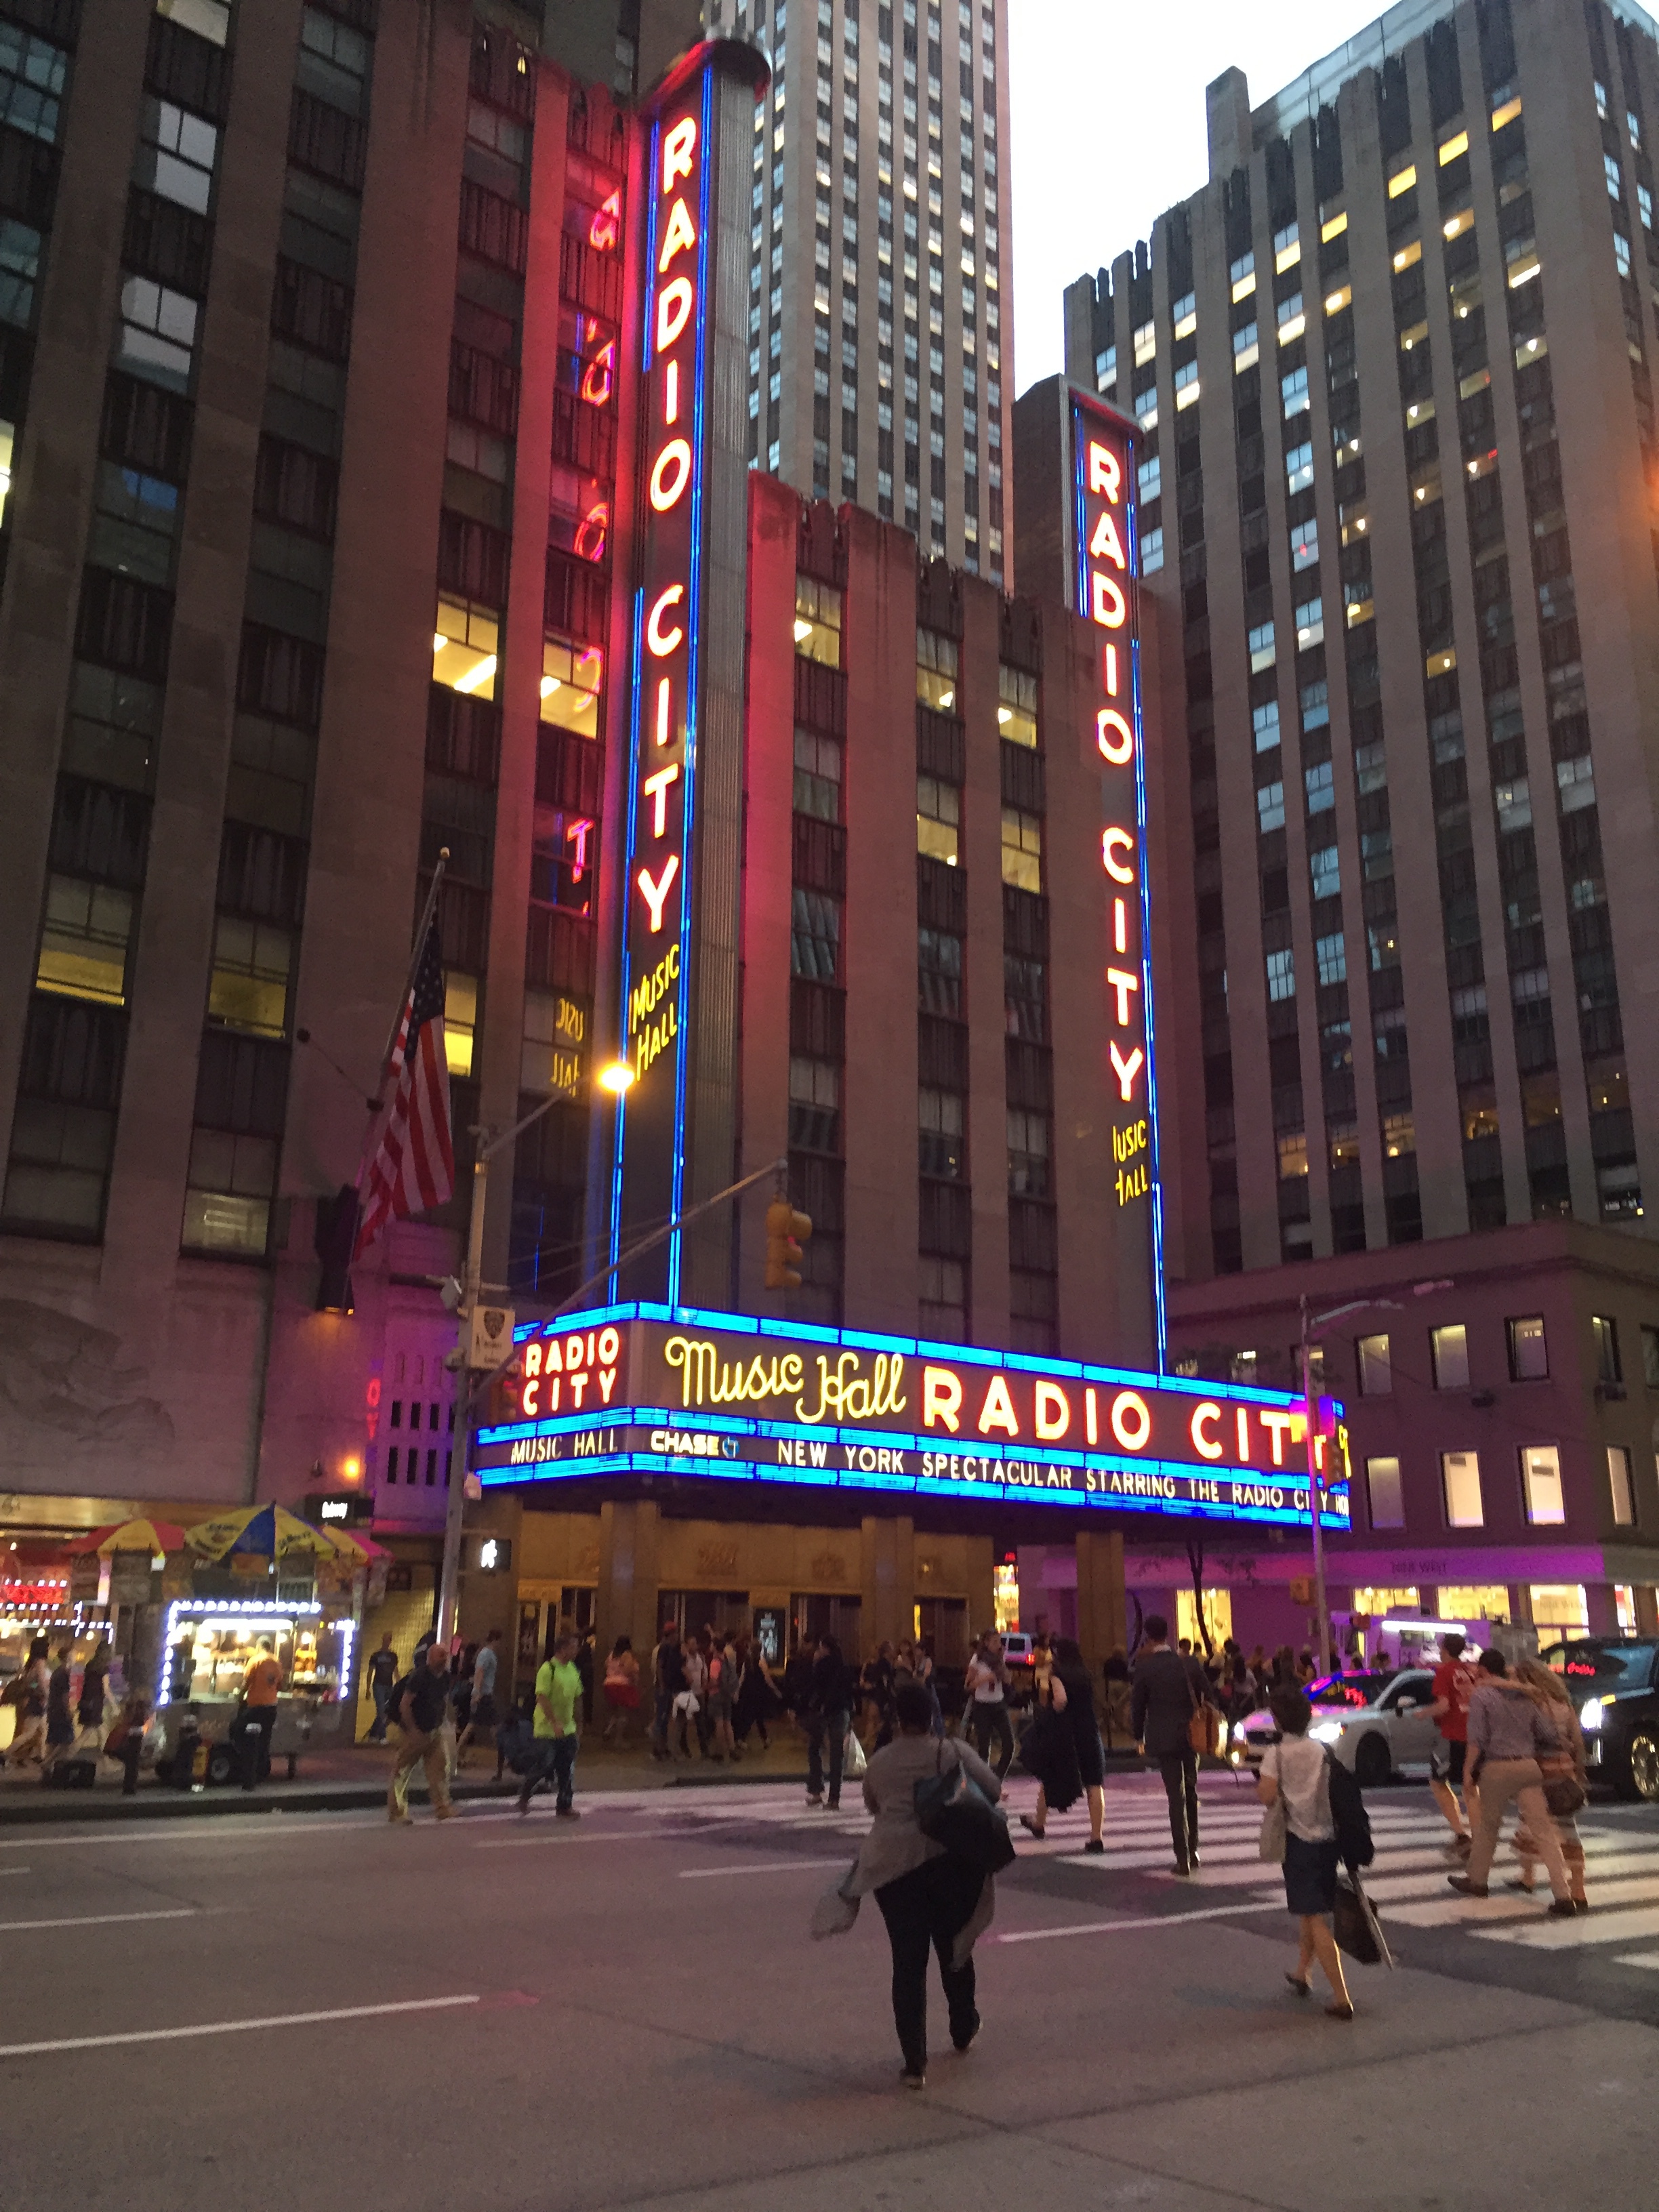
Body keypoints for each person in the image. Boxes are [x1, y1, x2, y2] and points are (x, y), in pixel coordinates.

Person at [844, 1679, 1002, 2088]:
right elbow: (993, 1788)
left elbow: (873, 1804)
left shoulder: (879, 1762)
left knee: (907, 1964)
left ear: (898, 1719)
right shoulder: (949, 1752)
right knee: (955, 1949)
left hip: (893, 1871)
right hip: (943, 1863)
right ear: (932, 1714)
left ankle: (915, 2063)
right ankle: (963, 2025)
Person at [1448, 1648, 1574, 1912]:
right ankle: (1563, 1895)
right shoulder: (1525, 1695)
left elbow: (1476, 1738)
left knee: (1488, 1827)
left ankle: (1478, 1880)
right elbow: (1548, 1733)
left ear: (1483, 1669)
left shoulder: (1482, 1695)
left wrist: (1468, 1771)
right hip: (1528, 1766)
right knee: (1543, 1831)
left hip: (1497, 1768)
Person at [1257, 1685, 1355, 2020]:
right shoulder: (1322, 1749)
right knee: (1311, 1910)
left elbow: (1267, 1795)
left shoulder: (1277, 1754)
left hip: (1299, 1842)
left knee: (1316, 1918)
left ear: (1279, 1720)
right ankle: (1302, 1972)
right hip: (1328, 1839)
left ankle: (1342, 1997)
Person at [1131, 1614, 1219, 1875]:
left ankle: (1182, 1858)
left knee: (1175, 1796)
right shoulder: (1188, 1663)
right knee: (1191, 1791)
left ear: (1148, 1636)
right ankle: (1193, 1850)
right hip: (1192, 1736)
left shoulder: (1146, 1667)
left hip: (1163, 1736)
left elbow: (1138, 1705)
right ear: (1168, 1634)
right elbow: (1210, 1694)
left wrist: (1139, 1737)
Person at [1510, 1658, 1590, 1910]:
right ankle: (1577, 1889)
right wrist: (1579, 1769)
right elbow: (1577, 1739)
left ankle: (1530, 1877)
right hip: (1564, 1769)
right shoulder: (1563, 1702)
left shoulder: (1532, 1703)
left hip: (1540, 1771)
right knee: (1567, 1826)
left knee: (1532, 1822)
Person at [1020, 1636, 1106, 1850]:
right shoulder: (1086, 1674)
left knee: (1050, 1774)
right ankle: (1096, 1837)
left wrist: (1052, 1712)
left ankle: (1039, 1824)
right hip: (1089, 1729)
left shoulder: (1057, 1673)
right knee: (1094, 1783)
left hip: (1067, 1733)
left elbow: (1060, 1700)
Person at [1425, 1632, 1479, 1857]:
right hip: (1473, 1735)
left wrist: (1422, 1713)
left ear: (1444, 1649)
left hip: (1452, 1735)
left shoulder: (1444, 1672)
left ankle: (1460, 1834)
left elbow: (1444, 1706)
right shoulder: (1470, 1671)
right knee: (1471, 1787)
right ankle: (1479, 1838)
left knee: (1437, 1782)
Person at [388, 1640, 454, 1822]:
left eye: (445, 1655)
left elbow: (443, 1701)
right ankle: (397, 1812)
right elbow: (405, 1704)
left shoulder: (446, 1677)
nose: (444, 1659)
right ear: (430, 1658)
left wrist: (443, 1722)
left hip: (433, 1731)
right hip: (416, 1732)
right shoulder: (420, 1676)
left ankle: (442, 1808)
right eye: (440, 1655)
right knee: (402, 1771)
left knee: (439, 1770)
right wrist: (412, 1730)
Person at [518, 1631, 582, 1818]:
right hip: (547, 1728)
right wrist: (554, 1722)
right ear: (563, 1649)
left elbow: (578, 1697)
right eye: (573, 1646)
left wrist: (579, 1723)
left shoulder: (573, 1669)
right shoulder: (548, 1669)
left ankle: (564, 1805)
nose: (577, 1650)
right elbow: (542, 1697)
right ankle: (525, 1793)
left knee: (566, 1768)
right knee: (545, 1764)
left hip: (567, 1727)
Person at [804, 1634, 853, 1809]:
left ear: (825, 1648)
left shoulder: (822, 1665)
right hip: (842, 1711)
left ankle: (817, 1790)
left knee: (814, 1749)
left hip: (824, 1712)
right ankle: (834, 1799)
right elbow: (849, 1692)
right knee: (836, 1755)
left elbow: (814, 1687)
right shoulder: (844, 1666)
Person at [963, 1633, 1014, 1780]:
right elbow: (967, 1686)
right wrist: (984, 1678)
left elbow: (1007, 1680)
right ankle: (984, 1782)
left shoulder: (1000, 1658)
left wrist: (1004, 1672)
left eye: (999, 1641)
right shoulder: (977, 1660)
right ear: (986, 1643)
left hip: (998, 1704)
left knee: (1009, 1744)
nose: (998, 1645)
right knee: (984, 1747)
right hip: (982, 1706)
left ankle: (998, 1780)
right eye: (994, 1642)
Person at [237, 1641, 282, 1791]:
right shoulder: (276, 1662)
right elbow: (281, 1683)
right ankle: (262, 1772)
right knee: (264, 1740)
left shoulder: (255, 1660)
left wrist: (239, 1697)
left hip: (256, 1707)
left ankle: (249, 1775)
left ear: (258, 1647)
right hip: (271, 1708)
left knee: (241, 1734)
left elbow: (247, 1682)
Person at [456, 1627, 502, 1767]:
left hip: (483, 1693)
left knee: (474, 1724)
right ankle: (503, 1755)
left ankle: (457, 1751)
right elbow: (480, 1673)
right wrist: (477, 1692)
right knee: (491, 1725)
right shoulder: (487, 1654)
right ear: (495, 1640)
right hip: (484, 1694)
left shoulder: (485, 1653)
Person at [3, 1637, 50, 1767]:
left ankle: (42, 1757)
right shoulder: (40, 1663)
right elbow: (40, 1682)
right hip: (38, 1701)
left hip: (33, 1700)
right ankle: (6, 1753)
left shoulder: (31, 1664)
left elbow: (30, 1682)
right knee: (29, 1733)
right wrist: (47, 1694)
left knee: (43, 1731)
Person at [600, 1634, 640, 1746]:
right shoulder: (627, 1655)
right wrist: (634, 1678)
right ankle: (619, 1739)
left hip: (609, 1683)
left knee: (613, 1711)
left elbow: (605, 1667)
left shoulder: (612, 1655)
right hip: (622, 1685)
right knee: (623, 1713)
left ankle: (609, 1729)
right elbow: (628, 1671)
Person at [650, 1623, 682, 1759]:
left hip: (670, 1687)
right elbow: (660, 1667)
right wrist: (662, 1685)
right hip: (664, 1688)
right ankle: (657, 1748)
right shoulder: (664, 1648)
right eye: (675, 1633)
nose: (677, 1636)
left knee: (666, 1718)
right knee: (661, 1718)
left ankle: (663, 1747)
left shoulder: (674, 1649)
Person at [44, 1645, 75, 1765]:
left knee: (52, 1741)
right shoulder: (64, 1674)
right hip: (61, 1712)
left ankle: (48, 1768)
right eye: (72, 1655)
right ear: (67, 1657)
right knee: (66, 1741)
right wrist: (69, 1711)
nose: (74, 1657)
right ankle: (48, 1763)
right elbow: (64, 1696)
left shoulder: (57, 1672)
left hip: (53, 1710)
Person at [76, 1639, 111, 1746]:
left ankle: (103, 1762)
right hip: (95, 1706)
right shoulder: (103, 1668)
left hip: (86, 1703)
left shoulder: (90, 1665)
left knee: (102, 1736)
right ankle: (65, 1759)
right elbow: (106, 1689)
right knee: (84, 1737)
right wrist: (114, 1705)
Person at [366, 1634, 399, 1744]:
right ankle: (382, 1736)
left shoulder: (393, 1656)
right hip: (378, 1685)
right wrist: (368, 1689)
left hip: (389, 1685)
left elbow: (396, 1671)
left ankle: (373, 1733)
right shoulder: (375, 1656)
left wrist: (398, 1686)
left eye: (388, 1640)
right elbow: (370, 1672)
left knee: (386, 1711)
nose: (386, 1642)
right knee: (381, 1710)